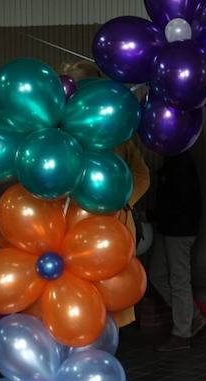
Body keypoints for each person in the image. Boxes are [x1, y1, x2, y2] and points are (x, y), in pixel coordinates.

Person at [61, 60, 151, 327]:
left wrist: (122, 200)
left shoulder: (117, 135)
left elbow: (141, 175)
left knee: (108, 293)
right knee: (68, 295)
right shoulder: (56, 133)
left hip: (111, 226)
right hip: (65, 228)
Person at [148, 151, 206, 351]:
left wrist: (152, 214)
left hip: (179, 230)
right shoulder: (174, 158)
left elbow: (179, 202)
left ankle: (182, 333)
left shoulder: (180, 162)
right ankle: (193, 318)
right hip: (169, 228)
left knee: (179, 280)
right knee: (157, 275)